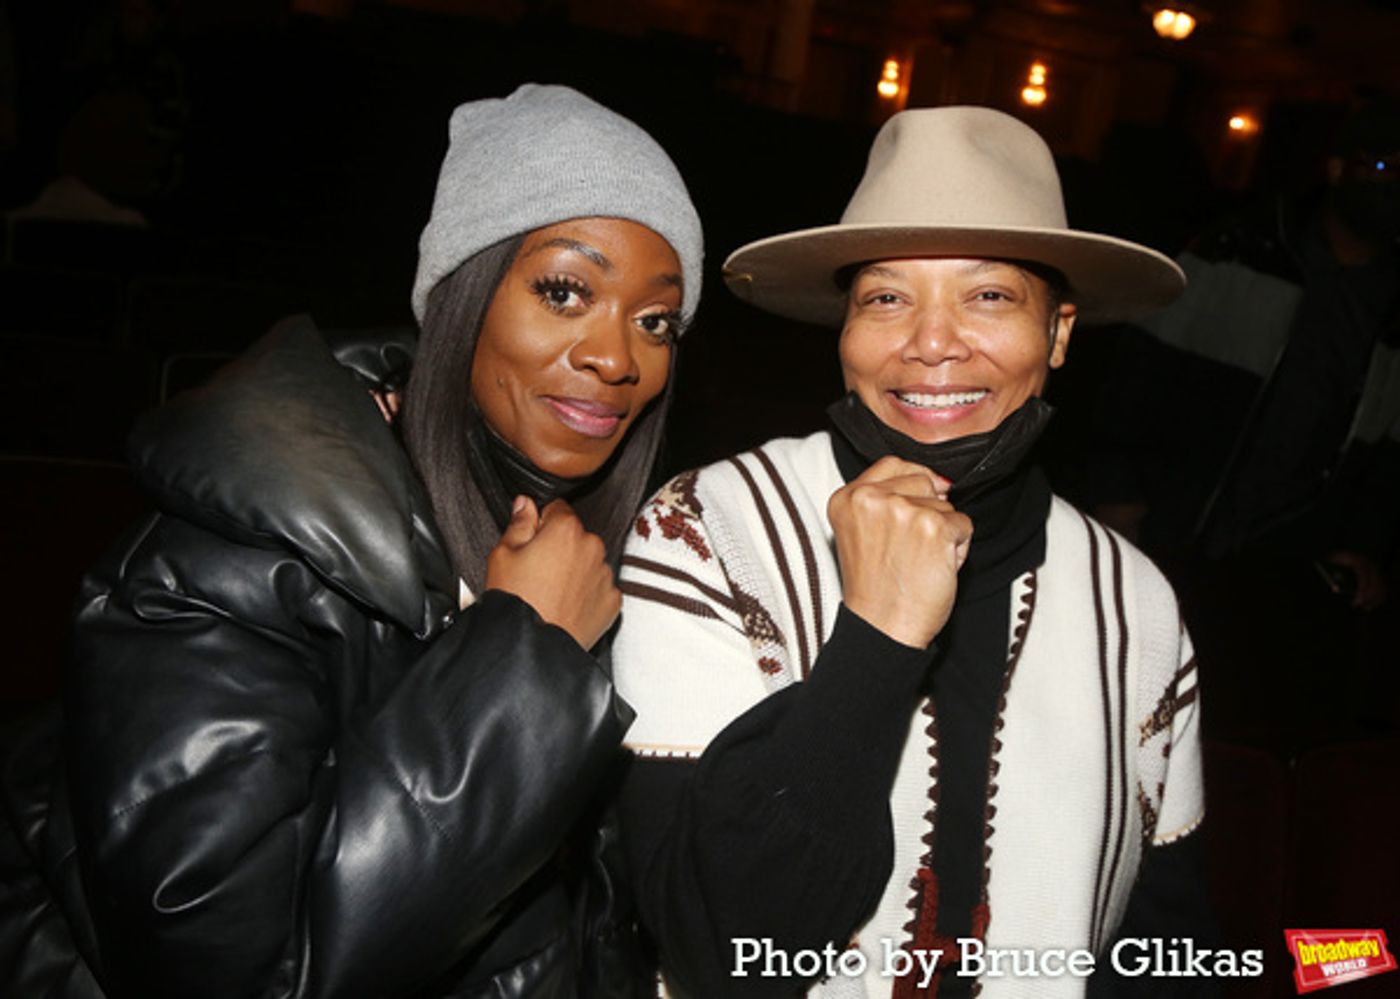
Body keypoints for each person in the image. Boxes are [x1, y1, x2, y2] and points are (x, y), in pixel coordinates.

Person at [0, 83, 702, 998]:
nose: (619, 357)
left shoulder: (595, 550)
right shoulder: (233, 555)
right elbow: (237, 973)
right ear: (461, 295)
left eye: (657, 320)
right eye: (565, 291)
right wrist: (523, 658)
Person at [612, 106, 1211, 997]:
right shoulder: (709, 529)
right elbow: (717, 950)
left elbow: (1167, 943)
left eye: (989, 295)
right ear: (844, 331)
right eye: (887, 297)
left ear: (1059, 332)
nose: (931, 343)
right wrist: (880, 635)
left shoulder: (1137, 601)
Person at [1090, 99, 1400, 744]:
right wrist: (1118, 494)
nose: (1390, 184)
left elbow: (1389, 439)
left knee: (1248, 745)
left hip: (1294, 562)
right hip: (1182, 530)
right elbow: (1138, 370)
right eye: (1378, 165)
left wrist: (1364, 542)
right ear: (1339, 168)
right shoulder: (1240, 248)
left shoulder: (1394, 298)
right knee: (1131, 718)